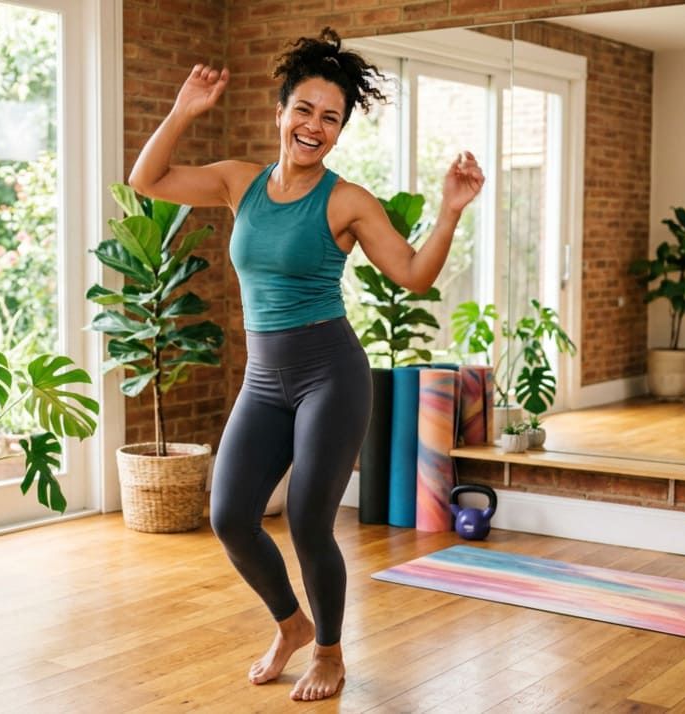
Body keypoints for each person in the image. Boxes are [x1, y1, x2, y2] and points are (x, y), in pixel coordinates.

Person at [128, 28, 484, 702]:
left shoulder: (347, 200)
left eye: (331, 118)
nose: (314, 127)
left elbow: (411, 274)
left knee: (307, 519)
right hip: (264, 379)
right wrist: (183, 110)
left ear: (340, 130)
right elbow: (146, 180)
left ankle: (329, 651)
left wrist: (449, 214)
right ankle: (290, 625)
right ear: (281, 112)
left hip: (330, 373)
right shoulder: (240, 183)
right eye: (304, 110)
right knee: (230, 515)